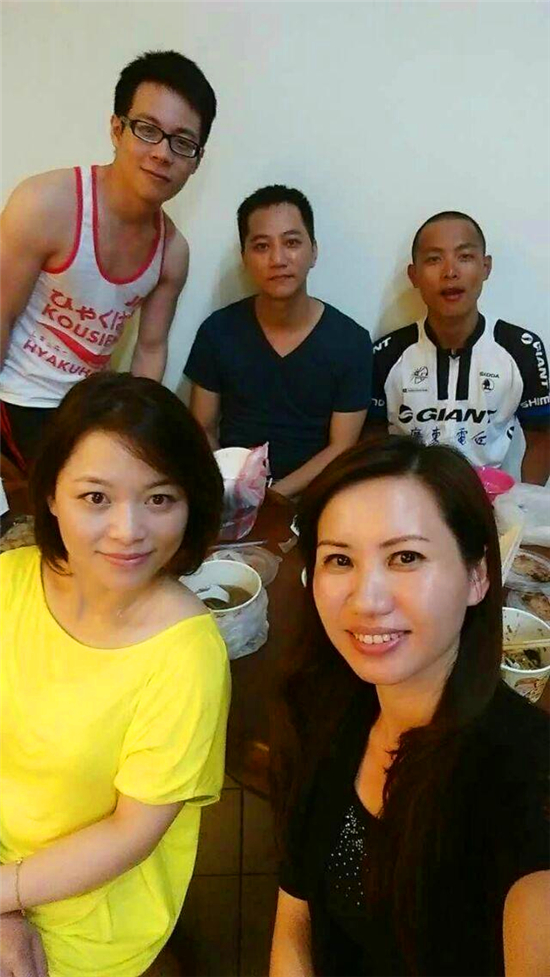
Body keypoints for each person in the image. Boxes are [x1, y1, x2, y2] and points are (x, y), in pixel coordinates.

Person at [269, 436, 549, 977]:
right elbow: (295, 918)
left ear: (477, 576)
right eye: (339, 560)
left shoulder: (526, 781)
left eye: (406, 557)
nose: (366, 600)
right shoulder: (320, 708)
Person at [0, 372, 230, 977]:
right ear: (52, 495)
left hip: (94, 917)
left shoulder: (186, 654)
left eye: (159, 499)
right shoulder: (8, 583)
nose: (128, 531)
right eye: (96, 498)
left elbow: (131, 833)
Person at [0, 49, 217, 469]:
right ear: (117, 129)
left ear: (196, 160)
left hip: (88, 409)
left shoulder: (173, 252)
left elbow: (150, 349)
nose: (162, 153)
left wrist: (137, 434)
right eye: (148, 130)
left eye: (182, 142)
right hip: (15, 396)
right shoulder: (46, 203)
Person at [185, 185, 373, 498]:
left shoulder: (351, 342)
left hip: (312, 496)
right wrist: (229, 488)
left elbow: (342, 446)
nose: (278, 259)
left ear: (314, 251)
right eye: (261, 246)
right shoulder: (217, 331)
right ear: (245, 258)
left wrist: (271, 499)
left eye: (292, 243)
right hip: (228, 491)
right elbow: (202, 427)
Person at [367, 212, 550, 484]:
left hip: (488, 500)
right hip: (409, 498)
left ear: (486, 267)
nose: (450, 272)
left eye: (464, 257)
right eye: (434, 259)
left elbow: (541, 437)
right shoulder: (386, 353)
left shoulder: (521, 348)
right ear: (414, 275)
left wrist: (524, 500)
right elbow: (371, 438)